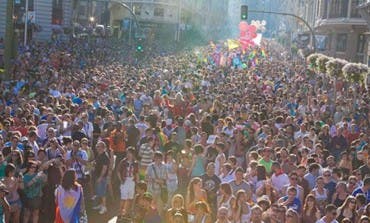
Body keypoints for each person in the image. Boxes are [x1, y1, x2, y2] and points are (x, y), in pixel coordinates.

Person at [117, 147, 139, 218]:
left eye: (130, 153)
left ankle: (127, 212)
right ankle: (120, 213)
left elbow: (136, 173)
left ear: (133, 154)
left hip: (132, 181)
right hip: (125, 181)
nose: (128, 155)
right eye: (127, 153)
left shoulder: (135, 163)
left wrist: (137, 183)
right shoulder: (123, 162)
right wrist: (121, 180)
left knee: (130, 198)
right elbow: (118, 171)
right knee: (123, 198)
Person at [93, 141, 110, 214]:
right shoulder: (99, 155)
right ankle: (101, 205)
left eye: (99, 146)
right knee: (99, 192)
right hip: (98, 176)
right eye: (97, 146)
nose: (97, 148)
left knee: (103, 193)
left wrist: (100, 177)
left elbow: (105, 168)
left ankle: (104, 207)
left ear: (103, 148)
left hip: (102, 178)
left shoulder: (105, 156)